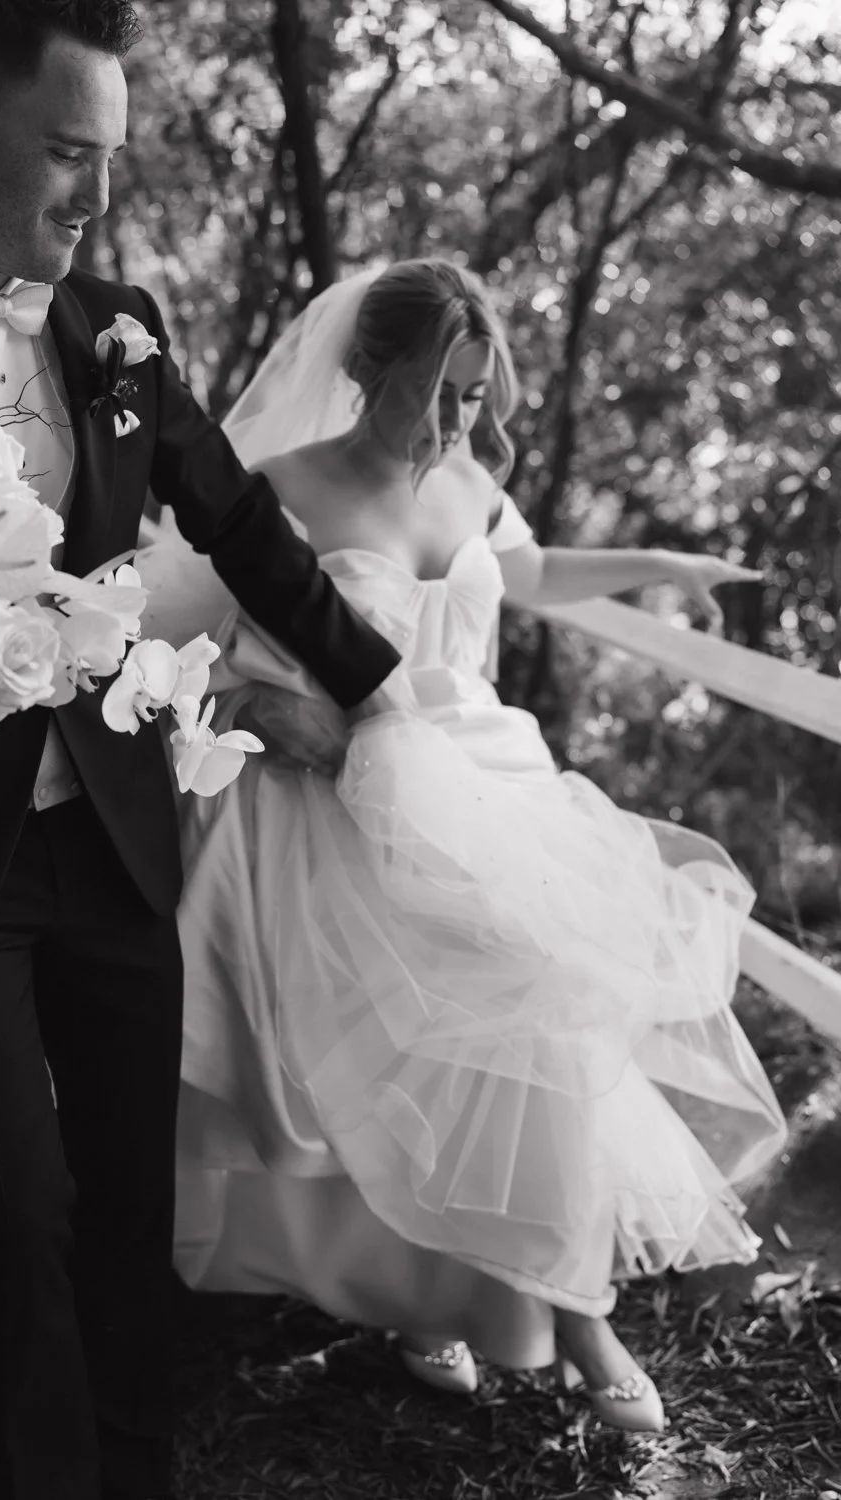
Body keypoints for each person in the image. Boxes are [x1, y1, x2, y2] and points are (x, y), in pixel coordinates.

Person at [0, 6, 402, 1499]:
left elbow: (246, 528)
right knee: (13, 1218)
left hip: (114, 841)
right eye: (68, 153)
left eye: (112, 160)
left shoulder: (117, 330)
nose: (96, 198)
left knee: (121, 1214)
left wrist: (387, 693)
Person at [144, 259, 788, 1434]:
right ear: (363, 370)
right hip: (343, 803)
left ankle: (506, 1303)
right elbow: (176, 644)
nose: (456, 424)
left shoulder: (466, 481)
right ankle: (508, 1314)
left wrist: (664, 566)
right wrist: (253, 710)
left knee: (547, 1015)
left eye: (476, 396)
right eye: (437, 392)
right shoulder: (271, 491)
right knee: (422, 1050)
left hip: (491, 788)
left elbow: (526, 571)